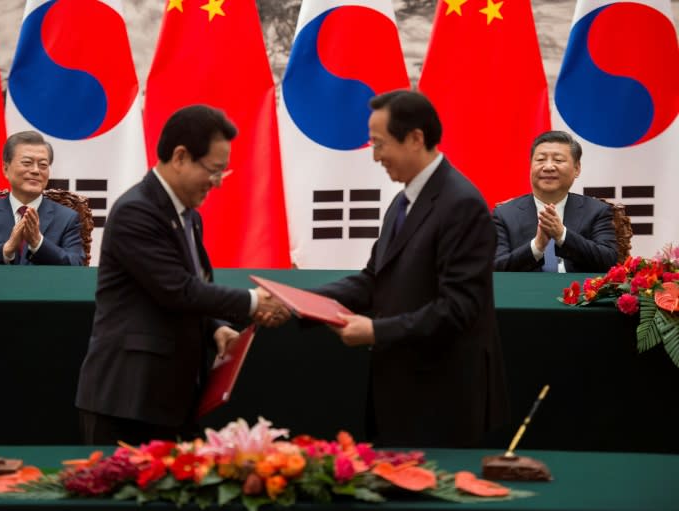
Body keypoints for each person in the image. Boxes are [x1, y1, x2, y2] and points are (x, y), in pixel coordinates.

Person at [75, 105, 288, 444]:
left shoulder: (189, 215)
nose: (217, 183)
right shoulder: (137, 210)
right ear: (180, 156)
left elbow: (193, 288)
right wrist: (251, 301)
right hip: (128, 400)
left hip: (170, 399)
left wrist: (216, 327)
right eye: (214, 171)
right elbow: (178, 290)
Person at [312, 90, 509, 448]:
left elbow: (459, 308)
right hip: (400, 390)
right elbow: (374, 279)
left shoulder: (462, 204)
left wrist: (376, 331)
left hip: (442, 397)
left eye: (379, 144)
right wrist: (302, 301)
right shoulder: (404, 201)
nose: (375, 157)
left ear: (415, 138)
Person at [493, 130, 618, 272]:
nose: (548, 167)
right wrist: (536, 247)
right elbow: (496, 268)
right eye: (540, 160)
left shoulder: (596, 211)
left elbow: (609, 262)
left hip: (579, 293)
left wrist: (562, 235)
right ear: (530, 166)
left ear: (576, 169)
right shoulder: (504, 215)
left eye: (558, 160)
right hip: (524, 293)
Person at [0, 130, 85, 266]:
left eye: (43, 165)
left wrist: (38, 243)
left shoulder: (67, 218)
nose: (36, 170)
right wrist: (6, 250)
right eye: (27, 163)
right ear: (5, 169)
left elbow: (76, 265)